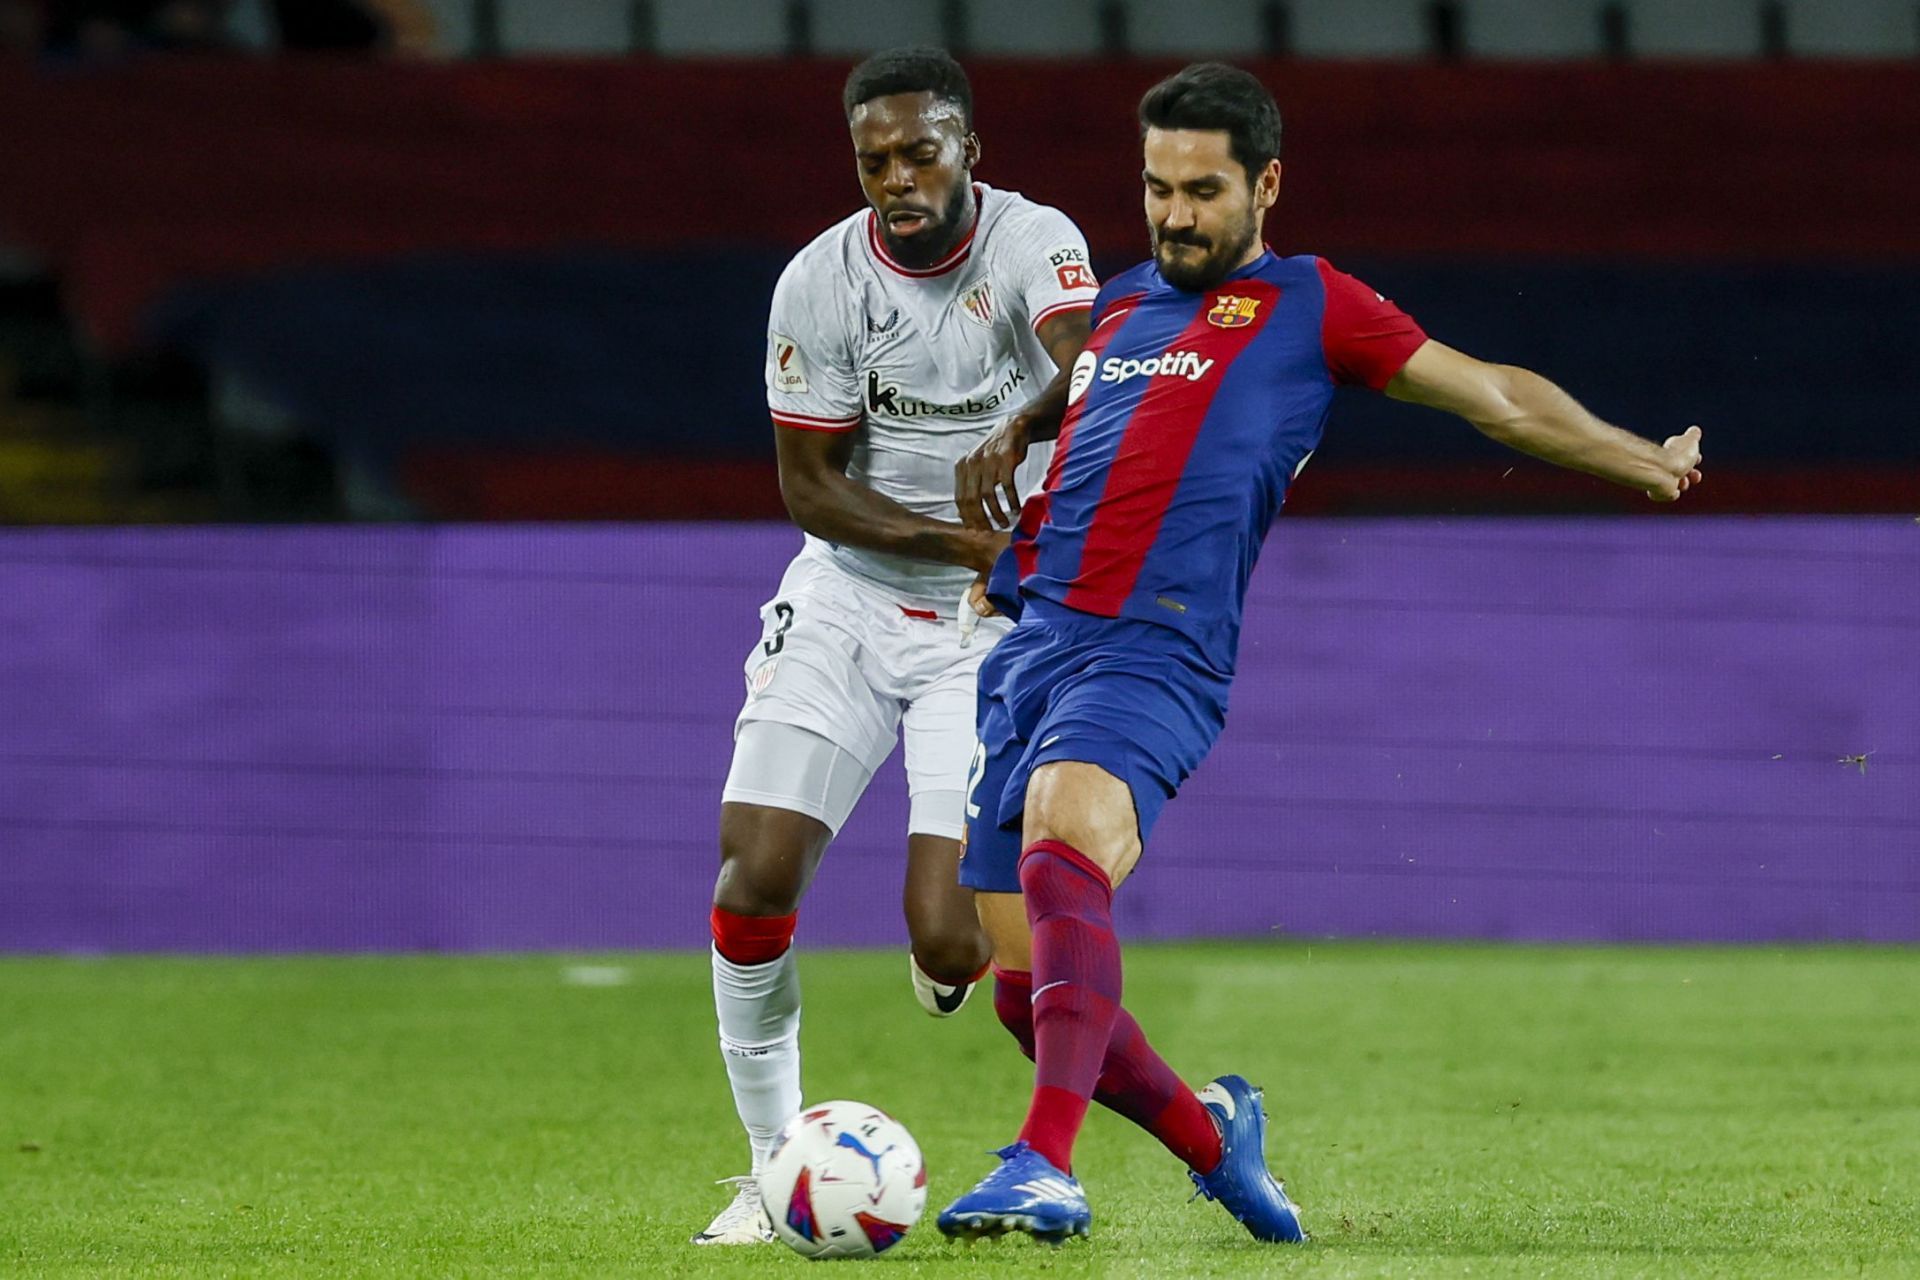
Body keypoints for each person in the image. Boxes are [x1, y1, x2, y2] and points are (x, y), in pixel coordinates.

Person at [938, 62, 1704, 1245]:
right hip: (1033, 638)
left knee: (1062, 835)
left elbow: (1493, 395)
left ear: (1267, 184)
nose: (1174, 214)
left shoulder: (1313, 303)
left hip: (1159, 644)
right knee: (1018, 991)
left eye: (1201, 190)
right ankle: (1215, 1137)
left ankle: (1044, 1161)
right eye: (1155, 188)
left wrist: (1638, 455)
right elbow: (1082, 386)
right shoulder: (1132, 303)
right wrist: (1018, 424)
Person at [696, 46, 1100, 1245]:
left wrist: (1027, 429)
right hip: (855, 597)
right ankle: (771, 1169)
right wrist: (969, 546)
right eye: (875, 159)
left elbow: (1086, 354)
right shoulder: (818, 282)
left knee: (949, 934)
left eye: (921, 151)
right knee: (754, 873)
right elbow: (811, 491)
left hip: (982, 637)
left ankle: (950, 953)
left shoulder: (1033, 240)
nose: (898, 178)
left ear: (969, 146)